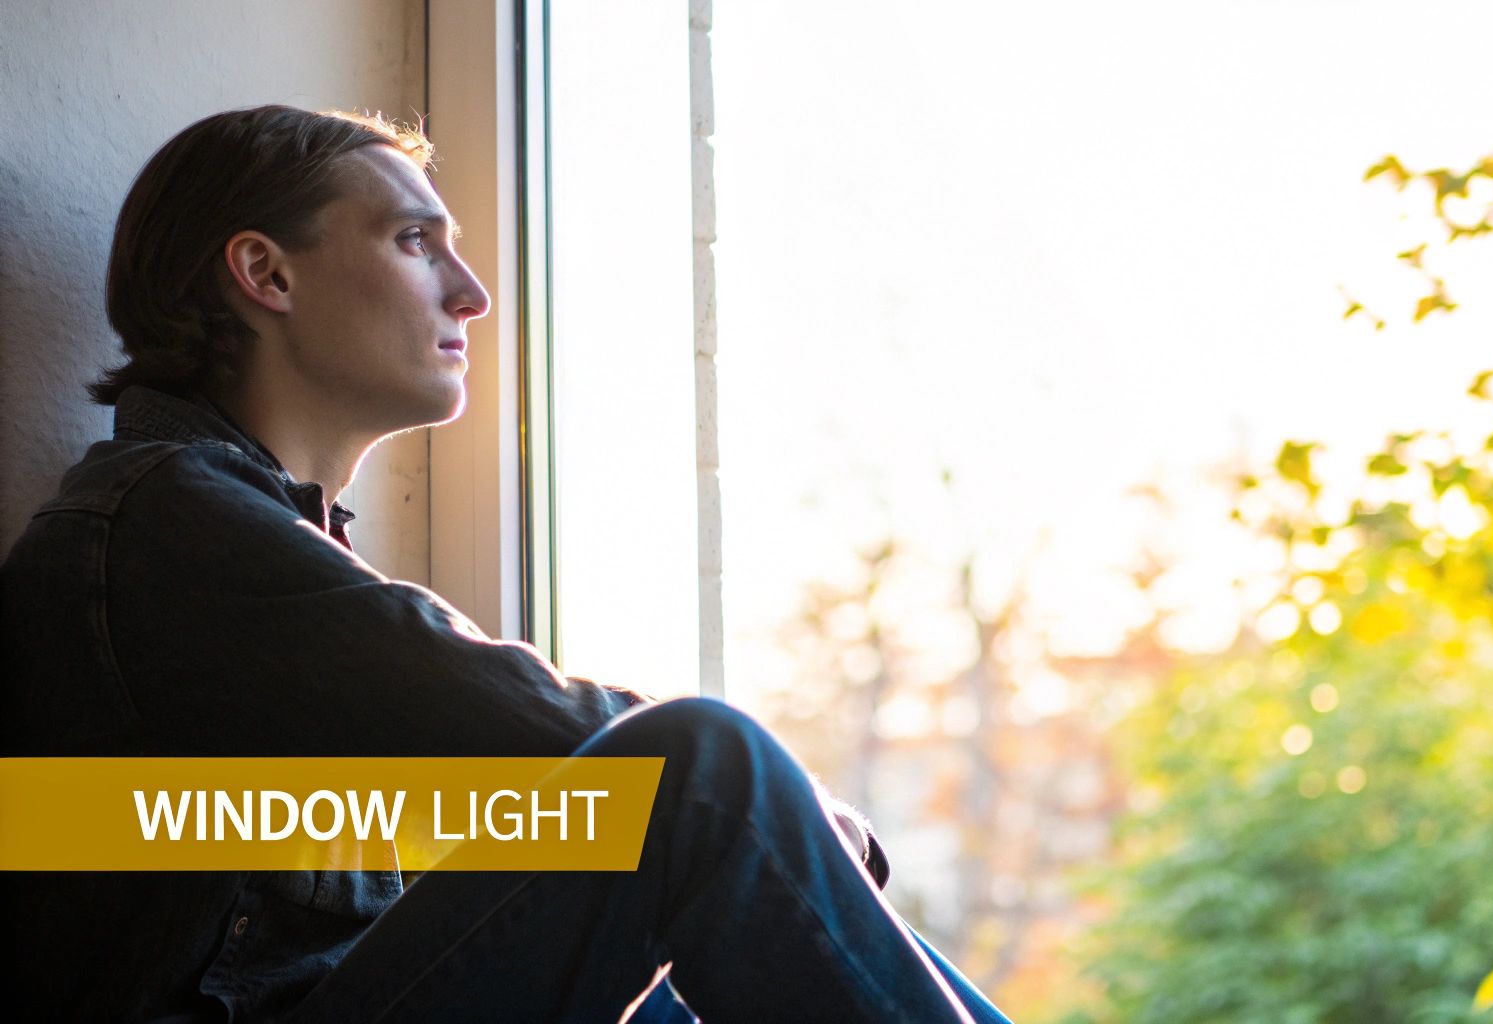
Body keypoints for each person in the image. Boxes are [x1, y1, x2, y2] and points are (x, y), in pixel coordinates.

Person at [0, 105, 1012, 1024]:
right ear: (266, 274)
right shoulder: (160, 525)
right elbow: (504, 724)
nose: (472, 293)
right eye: (412, 240)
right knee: (700, 772)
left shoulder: (235, 540)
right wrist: (796, 821)